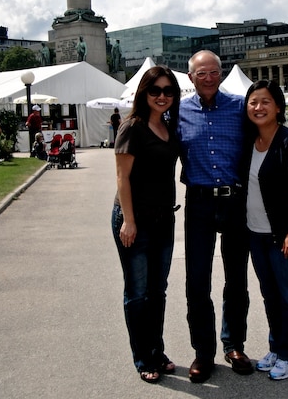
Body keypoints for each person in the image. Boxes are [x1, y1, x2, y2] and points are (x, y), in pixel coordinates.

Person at [177, 50, 252, 383]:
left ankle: (233, 344)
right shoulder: (178, 111)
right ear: (190, 77)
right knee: (197, 281)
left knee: (236, 280)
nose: (208, 78)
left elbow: (269, 133)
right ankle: (203, 352)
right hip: (199, 203)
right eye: (201, 73)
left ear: (221, 74)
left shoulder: (239, 107)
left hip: (235, 201)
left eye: (214, 72)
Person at [111, 65, 181, 384]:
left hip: (164, 218)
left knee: (158, 291)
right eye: (155, 90)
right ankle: (143, 357)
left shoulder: (169, 126)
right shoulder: (133, 127)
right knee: (138, 292)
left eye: (168, 91)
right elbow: (122, 177)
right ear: (144, 93)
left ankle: (157, 349)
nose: (162, 96)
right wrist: (128, 220)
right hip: (134, 220)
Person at [242, 80, 288, 381]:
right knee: (270, 295)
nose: (258, 107)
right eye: (253, 102)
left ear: (279, 107)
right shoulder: (250, 142)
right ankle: (277, 347)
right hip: (256, 233)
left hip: (284, 234)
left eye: (265, 102)